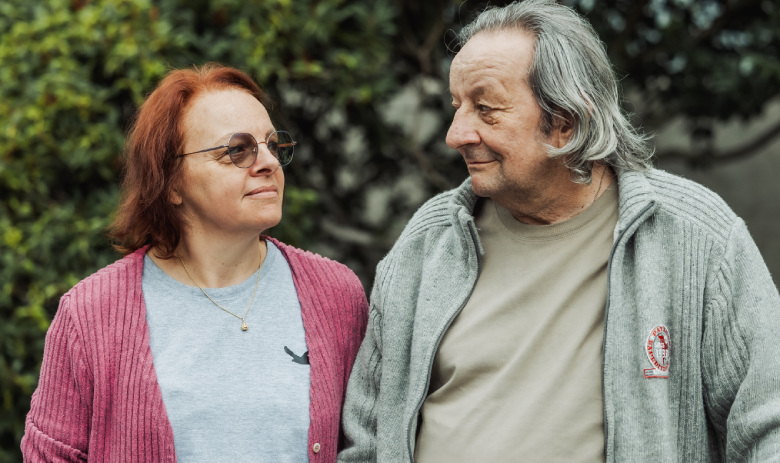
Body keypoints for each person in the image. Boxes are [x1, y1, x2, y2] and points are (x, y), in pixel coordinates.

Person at [338, 0, 780, 461]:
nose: (456, 134)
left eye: (485, 108)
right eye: (457, 106)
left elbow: (770, 423)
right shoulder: (427, 243)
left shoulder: (694, 237)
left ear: (565, 124)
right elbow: (368, 437)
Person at [22, 64, 368, 462]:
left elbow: (369, 443)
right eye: (237, 150)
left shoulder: (336, 296)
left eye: (274, 145)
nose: (268, 162)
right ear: (170, 183)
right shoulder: (91, 313)